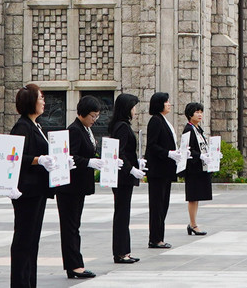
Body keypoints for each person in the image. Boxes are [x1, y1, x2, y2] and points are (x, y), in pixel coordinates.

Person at [10, 84, 69, 288]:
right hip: (27, 191)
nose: (44, 101)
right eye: (40, 97)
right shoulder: (22, 127)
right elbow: (16, 156)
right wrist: (38, 160)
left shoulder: (37, 125)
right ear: (30, 102)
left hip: (38, 190)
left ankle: (29, 281)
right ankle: (20, 282)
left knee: (32, 240)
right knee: (24, 240)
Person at [56, 96, 112, 279]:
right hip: (69, 187)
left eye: (97, 116)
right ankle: (74, 266)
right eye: (93, 116)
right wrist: (88, 162)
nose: (95, 120)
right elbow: (69, 156)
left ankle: (76, 263)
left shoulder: (86, 129)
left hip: (78, 187)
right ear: (82, 113)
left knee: (74, 225)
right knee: (70, 226)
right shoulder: (74, 130)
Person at [109, 93, 145, 264]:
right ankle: (121, 252)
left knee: (123, 214)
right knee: (122, 214)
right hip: (122, 177)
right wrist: (131, 169)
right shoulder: (122, 127)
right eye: (133, 107)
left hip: (124, 176)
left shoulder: (121, 125)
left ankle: (124, 251)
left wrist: (138, 162)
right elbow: (121, 152)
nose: (135, 111)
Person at [145, 92, 184, 249]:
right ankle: (155, 238)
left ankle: (159, 236)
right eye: (166, 101)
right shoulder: (155, 121)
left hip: (165, 170)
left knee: (163, 204)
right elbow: (152, 145)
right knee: (157, 205)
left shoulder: (163, 120)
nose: (169, 104)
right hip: (157, 170)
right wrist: (168, 153)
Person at [183, 102, 213, 236]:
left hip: (200, 167)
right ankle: (193, 224)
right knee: (193, 196)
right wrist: (200, 155)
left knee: (196, 197)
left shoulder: (198, 128)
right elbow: (188, 149)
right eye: (197, 112)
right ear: (190, 114)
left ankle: (193, 223)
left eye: (201, 112)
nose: (200, 115)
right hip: (193, 168)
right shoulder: (189, 129)